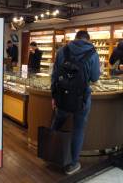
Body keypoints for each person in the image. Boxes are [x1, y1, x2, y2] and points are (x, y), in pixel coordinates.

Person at [51, 31, 100, 175]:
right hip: (82, 99)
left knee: (58, 121)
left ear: (75, 38)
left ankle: (51, 152)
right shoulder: (93, 54)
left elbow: (54, 75)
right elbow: (95, 77)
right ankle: (73, 164)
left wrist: (53, 96)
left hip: (62, 96)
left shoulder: (62, 51)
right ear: (88, 40)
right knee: (78, 130)